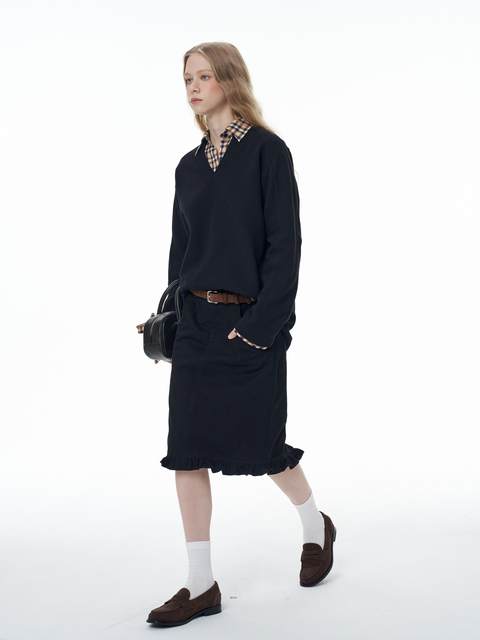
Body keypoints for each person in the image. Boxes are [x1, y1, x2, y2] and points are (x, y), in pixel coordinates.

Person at [146, 42, 336, 628]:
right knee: (187, 452)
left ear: (229, 80)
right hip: (196, 327)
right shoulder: (187, 166)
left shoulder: (267, 153)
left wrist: (260, 330)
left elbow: (285, 247)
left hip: (250, 325)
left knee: (263, 450)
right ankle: (200, 583)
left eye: (204, 76)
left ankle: (316, 526)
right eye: (187, 79)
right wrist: (169, 316)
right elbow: (180, 252)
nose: (193, 87)